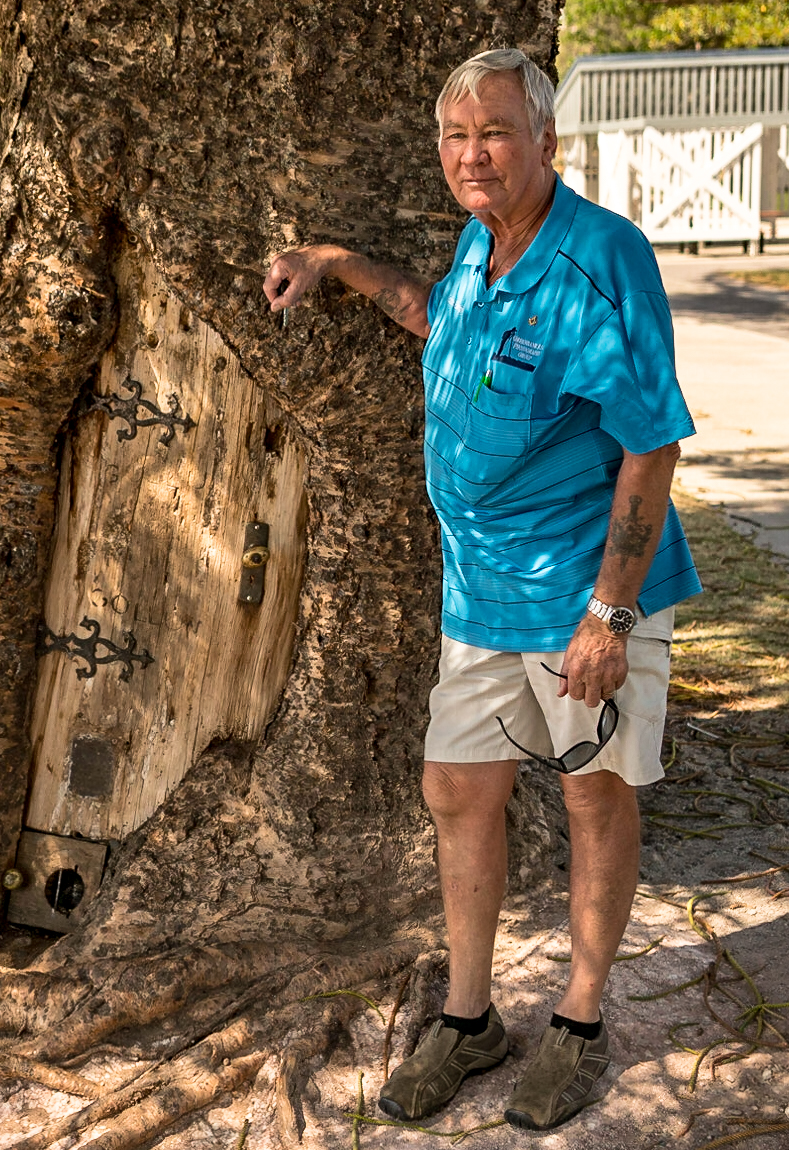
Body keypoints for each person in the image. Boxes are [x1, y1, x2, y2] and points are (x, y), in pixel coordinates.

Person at [264, 48, 701, 1132]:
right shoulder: (481, 241)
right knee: (457, 789)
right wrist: (335, 261)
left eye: (496, 132)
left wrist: (609, 615)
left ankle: (581, 1024)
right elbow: (437, 316)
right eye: (457, 137)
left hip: (583, 594)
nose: (473, 155)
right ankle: (468, 1021)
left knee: (592, 792)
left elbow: (650, 444)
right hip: (481, 594)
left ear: (546, 139)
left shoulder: (599, 256)